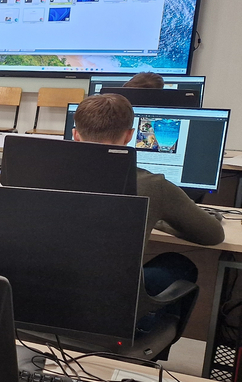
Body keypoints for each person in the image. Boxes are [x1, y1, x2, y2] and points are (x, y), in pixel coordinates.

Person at [72, 93, 223, 341]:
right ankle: (147, 338)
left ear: (75, 135)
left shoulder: (36, 175)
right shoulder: (153, 186)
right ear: (129, 136)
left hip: (39, 304)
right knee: (177, 263)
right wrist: (161, 219)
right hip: (110, 307)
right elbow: (213, 234)